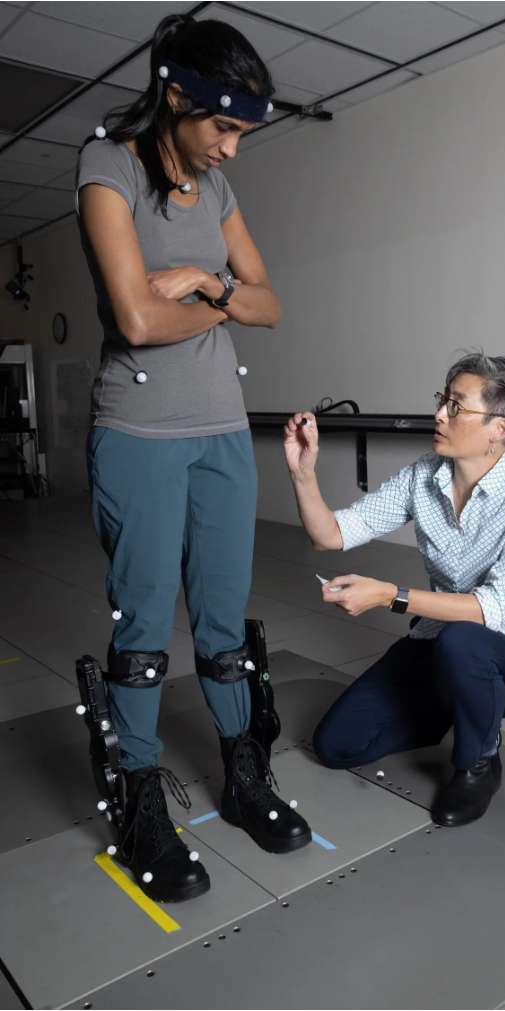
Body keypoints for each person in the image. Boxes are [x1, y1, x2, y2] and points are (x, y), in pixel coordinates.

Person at [78, 14, 311, 904]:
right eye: (223, 127)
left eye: (243, 132)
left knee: (222, 624)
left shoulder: (214, 193)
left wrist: (204, 286)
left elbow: (271, 303)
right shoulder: (107, 165)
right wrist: (214, 298)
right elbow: (135, 321)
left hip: (219, 431)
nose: (232, 149)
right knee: (142, 632)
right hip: (136, 431)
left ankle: (244, 773)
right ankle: (139, 799)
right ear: (175, 97)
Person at [284, 352, 505, 827]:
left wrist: (389, 595)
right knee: (337, 746)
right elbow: (330, 534)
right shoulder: (423, 475)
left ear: (499, 428)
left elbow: (492, 607)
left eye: (457, 406)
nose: (439, 414)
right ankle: (462, 705)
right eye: (442, 400)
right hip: (441, 646)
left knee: (463, 639)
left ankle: (479, 762)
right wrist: (302, 473)